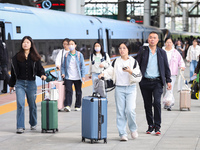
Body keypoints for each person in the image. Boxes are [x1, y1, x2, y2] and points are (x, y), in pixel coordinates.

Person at [98, 42, 142, 141]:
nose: (121, 50)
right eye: (120, 48)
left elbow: (139, 76)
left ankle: (133, 129)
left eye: (124, 48)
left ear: (128, 50)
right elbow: (109, 71)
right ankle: (122, 133)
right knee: (120, 112)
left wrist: (130, 71)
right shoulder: (115, 62)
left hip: (131, 88)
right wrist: (102, 74)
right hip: (119, 89)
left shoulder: (133, 62)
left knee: (130, 110)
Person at [136, 31, 172, 135]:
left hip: (157, 82)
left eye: (154, 38)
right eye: (150, 37)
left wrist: (168, 80)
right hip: (145, 82)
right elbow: (136, 64)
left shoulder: (162, 52)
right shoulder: (143, 51)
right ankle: (150, 125)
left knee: (156, 102)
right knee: (147, 104)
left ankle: (157, 126)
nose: (152, 39)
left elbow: (166, 67)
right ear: (148, 40)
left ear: (157, 40)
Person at [9, 36, 46, 134]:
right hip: (19, 83)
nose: (25, 44)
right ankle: (20, 126)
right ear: (21, 44)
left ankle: (33, 123)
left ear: (31, 45)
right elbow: (13, 72)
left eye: (27, 42)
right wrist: (11, 85)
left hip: (31, 84)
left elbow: (40, 69)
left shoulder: (35, 57)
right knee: (20, 104)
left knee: (32, 105)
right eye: (24, 42)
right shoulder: (16, 57)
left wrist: (42, 75)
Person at [61, 39, 85, 112]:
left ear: (75, 45)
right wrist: (63, 73)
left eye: (72, 44)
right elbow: (63, 66)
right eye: (69, 44)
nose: (70, 45)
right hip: (68, 76)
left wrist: (83, 76)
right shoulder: (66, 55)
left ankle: (77, 105)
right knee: (68, 91)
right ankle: (67, 105)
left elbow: (82, 66)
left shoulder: (79, 55)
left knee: (78, 91)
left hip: (77, 76)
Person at [162, 38, 185, 111]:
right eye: (167, 42)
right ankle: (166, 102)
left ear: (172, 43)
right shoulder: (161, 51)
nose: (169, 43)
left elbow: (180, 60)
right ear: (165, 43)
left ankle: (169, 103)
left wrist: (182, 66)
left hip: (172, 73)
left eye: (170, 42)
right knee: (164, 88)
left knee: (170, 88)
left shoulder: (176, 52)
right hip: (162, 73)